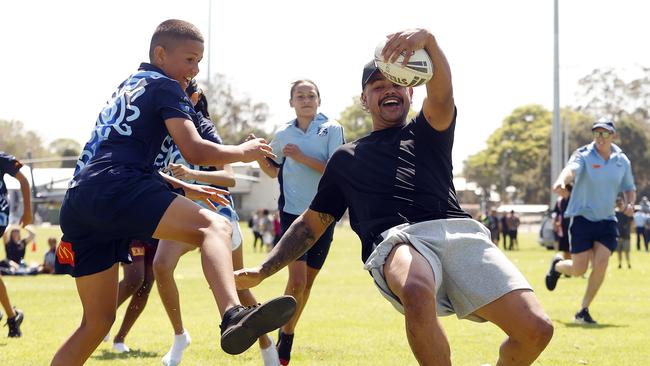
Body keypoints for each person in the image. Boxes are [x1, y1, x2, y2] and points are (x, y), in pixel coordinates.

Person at [237, 29, 553, 366]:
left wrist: (429, 42)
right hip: (397, 242)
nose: (388, 90)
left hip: (458, 231)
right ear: (365, 99)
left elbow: (443, 97)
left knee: (536, 329)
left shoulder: (428, 132)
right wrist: (264, 268)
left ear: (410, 91)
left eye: (395, 84)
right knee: (416, 289)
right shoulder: (346, 157)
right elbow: (310, 225)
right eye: (377, 87)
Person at [51, 19, 296, 366]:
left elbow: (122, 155)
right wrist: (245, 151)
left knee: (96, 322)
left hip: (80, 200)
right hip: (120, 187)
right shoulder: (166, 87)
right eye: (190, 59)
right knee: (216, 228)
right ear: (160, 54)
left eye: (199, 61)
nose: (194, 70)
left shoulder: (128, 85)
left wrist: (187, 186)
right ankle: (232, 314)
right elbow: (195, 150)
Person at [153, 79, 280, 366]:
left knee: (233, 284)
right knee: (161, 266)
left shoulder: (205, 130)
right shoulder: (162, 129)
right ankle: (179, 336)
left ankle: (265, 342)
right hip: (183, 209)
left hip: (217, 209)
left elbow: (229, 178)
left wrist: (192, 175)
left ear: (194, 97)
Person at [255, 79, 345, 365]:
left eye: (311, 95)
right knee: (296, 281)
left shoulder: (332, 128)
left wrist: (301, 157)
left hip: (325, 212)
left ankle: (287, 331)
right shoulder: (282, 133)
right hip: (293, 214)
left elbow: (335, 170)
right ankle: (286, 341)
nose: (306, 99)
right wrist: (258, 155)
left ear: (319, 100)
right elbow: (272, 170)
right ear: (291, 102)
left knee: (306, 285)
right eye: (300, 96)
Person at [546, 118, 636, 324]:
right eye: (596, 133)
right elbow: (571, 169)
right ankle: (558, 266)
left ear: (613, 135)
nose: (600, 138)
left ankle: (583, 310)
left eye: (604, 133)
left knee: (602, 263)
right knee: (579, 270)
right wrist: (562, 181)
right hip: (582, 218)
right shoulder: (584, 154)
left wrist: (630, 204)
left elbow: (629, 187)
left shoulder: (622, 160)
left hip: (607, 220)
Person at [109, 238, 158, 353]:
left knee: (146, 286)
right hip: (134, 230)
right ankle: (103, 319)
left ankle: (120, 339)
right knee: (134, 279)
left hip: (157, 234)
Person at [0, 152, 29, 337]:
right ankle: (12, 317)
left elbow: (24, 180)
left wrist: (28, 212)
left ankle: (11, 317)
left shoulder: (2, 159)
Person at [552, 184, 572, 260]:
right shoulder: (560, 201)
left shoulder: (574, 199)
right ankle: (567, 267)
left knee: (574, 250)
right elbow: (556, 212)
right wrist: (555, 222)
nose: (557, 191)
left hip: (573, 228)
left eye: (559, 189)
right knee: (565, 249)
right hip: (563, 228)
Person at [615, 197, 633, 269]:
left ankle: (628, 264)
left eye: (621, 203)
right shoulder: (615, 213)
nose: (620, 205)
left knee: (626, 251)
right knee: (619, 251)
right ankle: (620, 264)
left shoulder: (627, 213)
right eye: (618, 203)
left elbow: (632, 221)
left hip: (626, 235)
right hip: (618, 236)